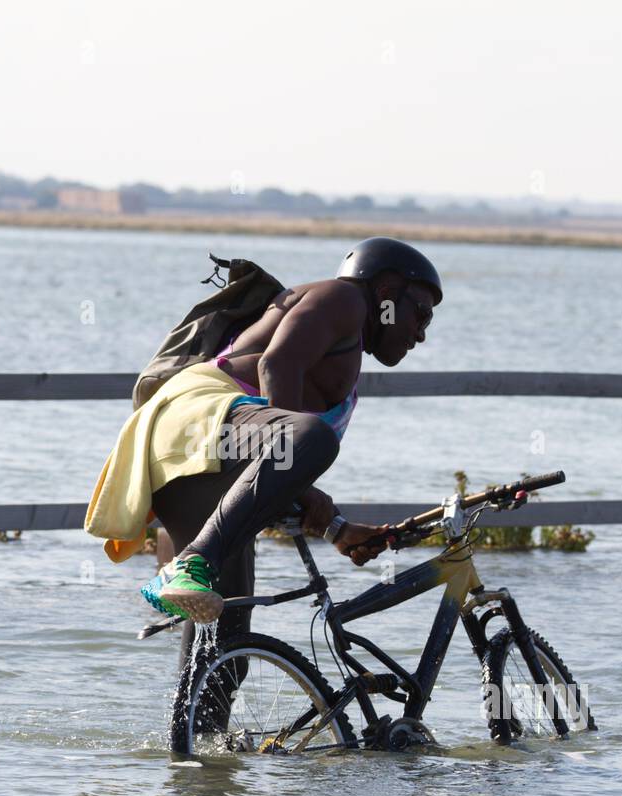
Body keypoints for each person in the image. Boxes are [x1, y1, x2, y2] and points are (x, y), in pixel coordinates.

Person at [139, 237, 442, 661]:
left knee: (225, 651)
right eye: (421, 314)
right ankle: (191, 561)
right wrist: (304, 469)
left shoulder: (346, 341)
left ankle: (197, 729)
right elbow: (275, 366)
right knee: (313, 435)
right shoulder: (346, 298)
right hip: (197, 422)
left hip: (199, 459)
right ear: (388, 291)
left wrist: (335, 527)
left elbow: (271, 468)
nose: (422, 333)